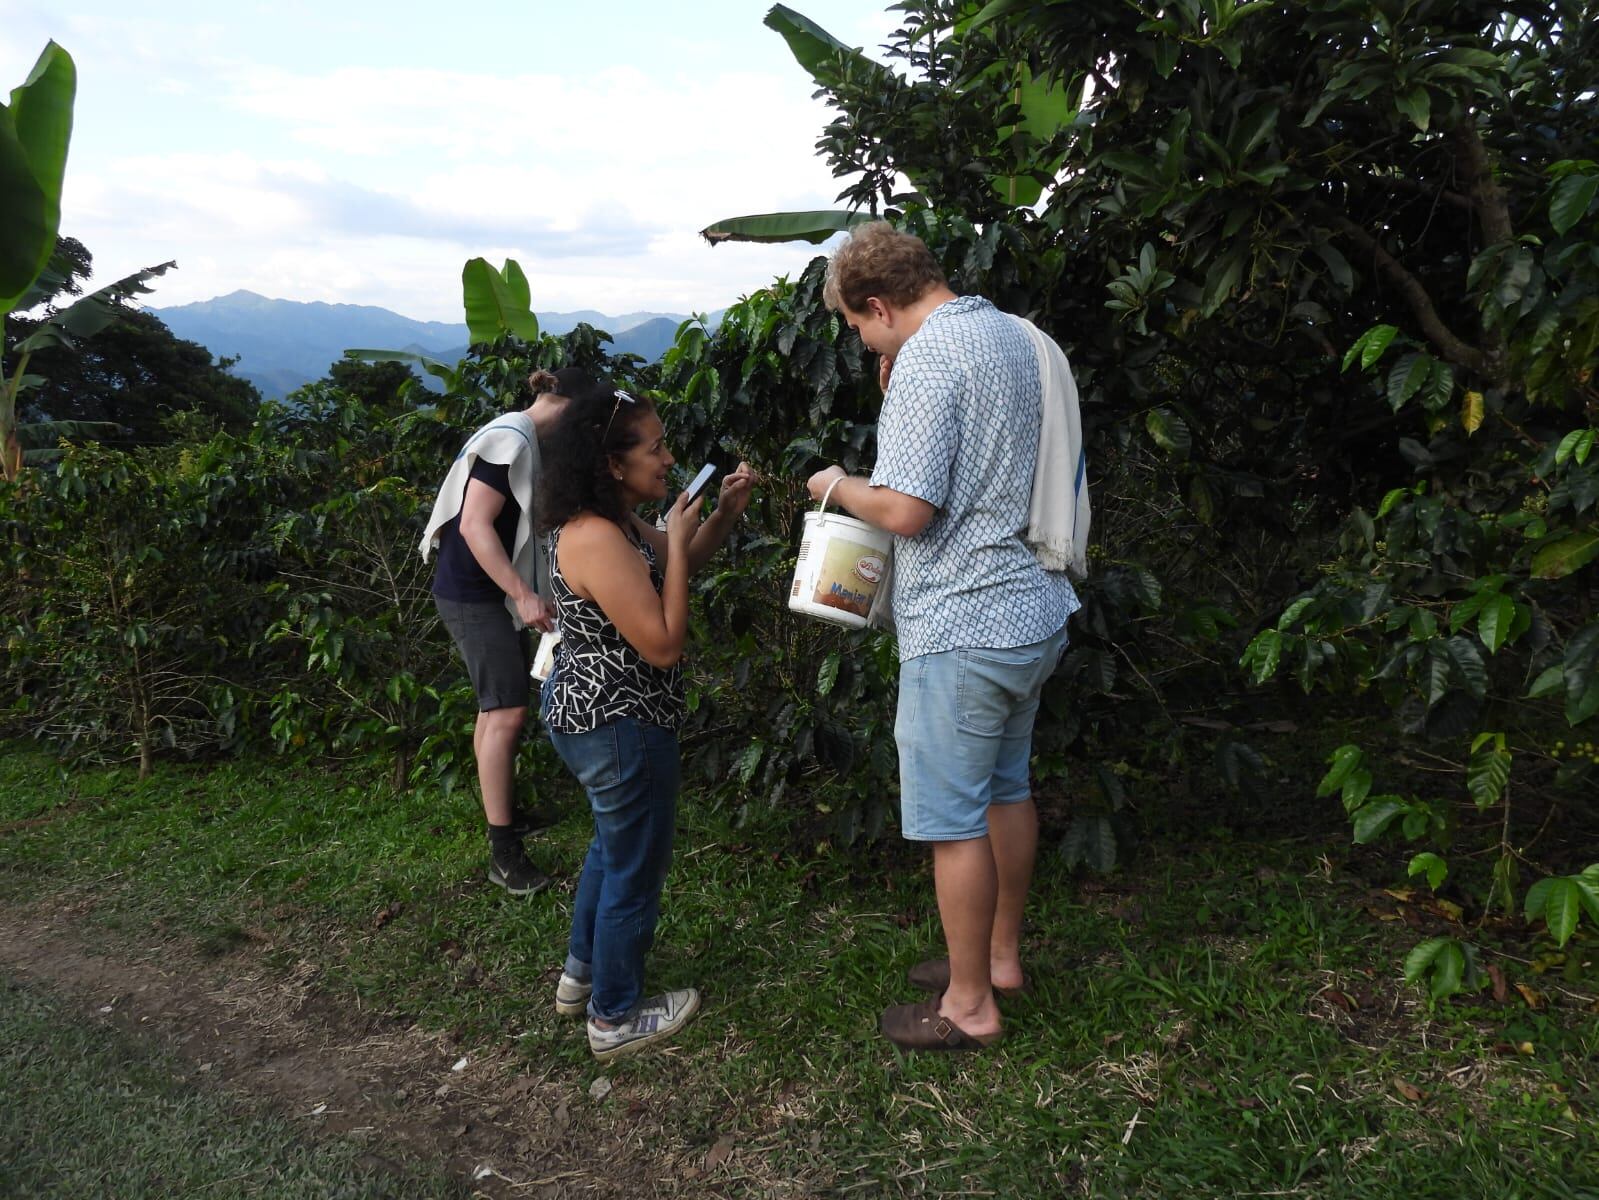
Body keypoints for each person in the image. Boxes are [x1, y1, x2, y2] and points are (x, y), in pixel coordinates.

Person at [806, 221, 1085, 1051]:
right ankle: (997, 958)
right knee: (1004, 791)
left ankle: (968, 1005)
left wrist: (835, 483)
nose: (861, 345)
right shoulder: (1011, 335)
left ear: (878, 305)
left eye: (856, 327)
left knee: (952, 822)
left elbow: (905, 510)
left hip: (962, 625)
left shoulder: (929, 359)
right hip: (1030, 610)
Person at [537, 381, 756, 1060]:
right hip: (617, 721)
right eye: (655, 449)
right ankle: (614, 1017)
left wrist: (720, 516)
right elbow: (662, 644)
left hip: (598, 712)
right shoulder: (597, 537)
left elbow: (671, 561)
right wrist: (681, 546)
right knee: (634, 865)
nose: (668, 460)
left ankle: (581, 977)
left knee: (612, 848)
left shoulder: (617, 522)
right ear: (611, 463)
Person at [422, 367, 609, 895]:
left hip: (483, 592)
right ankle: (503, 853)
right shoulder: (511, 440)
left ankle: (503, 811)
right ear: (567, 405)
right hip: (474, 594)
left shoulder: (524, 437)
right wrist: (523, 594)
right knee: (505, 712)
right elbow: (473, 524)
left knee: (496, 709)